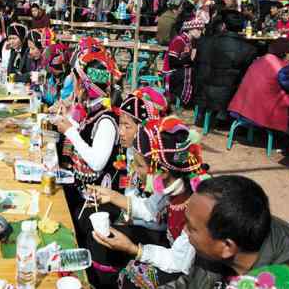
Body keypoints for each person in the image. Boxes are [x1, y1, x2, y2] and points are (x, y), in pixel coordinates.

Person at [87, 118, 207, 289]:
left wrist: (134, 250)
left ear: (163, 172)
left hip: (187, 273)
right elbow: (149, 208)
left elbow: (179, 262)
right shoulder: (171, 186)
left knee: (131, 276)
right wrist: (113, 196)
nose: (134, 169)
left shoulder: (194, 210)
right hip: (172, 254)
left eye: (139, 165)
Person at [161, 175, 289, 289]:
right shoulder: (226, 230)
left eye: (192, 228)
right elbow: (191, 283)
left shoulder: (286, 281)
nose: (185, 230)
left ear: (227, 247)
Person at [53, 47, 123, 235]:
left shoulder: (106, 121)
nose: (73, 83)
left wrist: (70, 131)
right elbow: (79, 130)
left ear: (84, 86)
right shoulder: (91, 110)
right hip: (82, 190)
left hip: (97, 202)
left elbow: (97, 162)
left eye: (76, 79)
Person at [228, 38, 289, 133]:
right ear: (287, 54)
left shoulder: (260, 60)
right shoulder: (282, 68)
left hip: (242, 109)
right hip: (261, 114)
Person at [201, 10, 257, 120]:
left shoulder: (207, 41)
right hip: (229, 95)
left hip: (205, 90)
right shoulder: (248, 48)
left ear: (224, 25)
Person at [163, 19, 205, 107]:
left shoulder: (189, 41)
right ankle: (186, 100)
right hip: (171, 72)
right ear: (190, 30)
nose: (200, 32)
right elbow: (172, 62)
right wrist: (190, 61)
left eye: (201, 29)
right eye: (198, 29)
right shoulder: (179, 40)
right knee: (191, 73)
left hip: (180, 69)